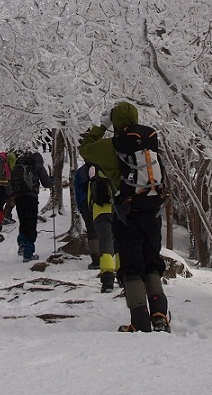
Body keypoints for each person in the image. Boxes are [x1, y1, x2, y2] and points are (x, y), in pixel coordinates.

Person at [79, 101, 169, 333]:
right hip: (152, 211)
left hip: (127, 214)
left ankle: (139, 321)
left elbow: (85, 149)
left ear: (116, 121)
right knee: (152, 262)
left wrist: (101, 126)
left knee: (131, 266)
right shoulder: (149, 139)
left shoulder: (111, 146)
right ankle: (160, 315)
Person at [9, 147, 53, 262]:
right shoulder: (37, 166)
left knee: (23, 222)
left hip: (18, 197)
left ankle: (22, 243)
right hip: (31, 197)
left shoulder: (19, 166)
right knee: (31, 224)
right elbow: (47, 183)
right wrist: (53, 180)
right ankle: (28, 253)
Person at [87, 163, 119, 292]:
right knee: (118, 243)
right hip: (117, 212)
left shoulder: (94, 174)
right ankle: (123, 275)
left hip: (100, 214)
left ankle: (107, 279)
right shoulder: (115, 172)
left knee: (105, 245)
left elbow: (90, 200)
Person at [72, 163, 100, 269]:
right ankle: (109, 257)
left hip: (86, 203)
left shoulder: (81, 172)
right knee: (106, 229)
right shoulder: (102, 167)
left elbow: (77, 191)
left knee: (91, 230)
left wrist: (80, 207)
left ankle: (96, 259)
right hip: (103, 202)